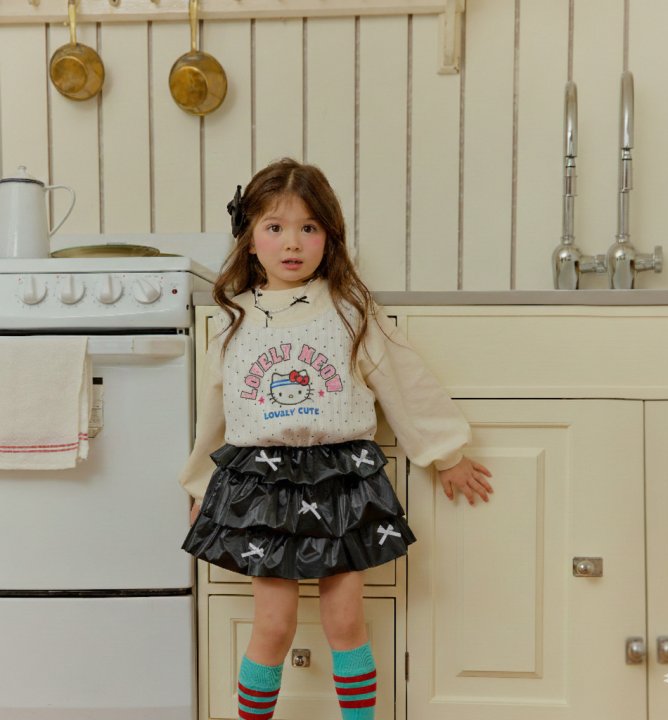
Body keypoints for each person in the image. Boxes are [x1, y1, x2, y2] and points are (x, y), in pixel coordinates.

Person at [179, 157, 493, 720]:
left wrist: (446, 452)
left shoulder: (350, 310)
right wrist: (202, 484)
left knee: (346, 621)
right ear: (250, 237)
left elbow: (403, 380)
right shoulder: (232, 319)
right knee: (272, 626)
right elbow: (214, 413)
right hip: (262, 489)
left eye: (308, 227)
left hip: (340, 481)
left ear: (329, 237)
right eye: (275, 227)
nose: (292, 242)